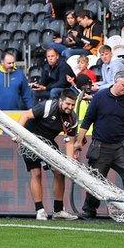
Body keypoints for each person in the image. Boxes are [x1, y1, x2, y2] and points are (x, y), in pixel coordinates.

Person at [74, 71, 124, 219]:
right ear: (115, 82)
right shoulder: (99, 97)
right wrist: (78, 142)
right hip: (101, 145)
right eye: (123, 85)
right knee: (95, 180)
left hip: (121, 145)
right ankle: (89, 210)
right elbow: (87, 120)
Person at [17, 89, 79, 220]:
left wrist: (69, 161)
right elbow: (26, 115)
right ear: (60, 100)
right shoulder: (48, 106)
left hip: (48, 141)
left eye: (73, 105)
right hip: (30, 138)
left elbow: (70, 142)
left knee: (60, 172)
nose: (70, 107)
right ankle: (40, 210)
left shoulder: (72, 118)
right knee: (36, 173)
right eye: (68, 104)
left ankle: (58, 211)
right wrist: (18, 133)